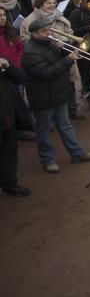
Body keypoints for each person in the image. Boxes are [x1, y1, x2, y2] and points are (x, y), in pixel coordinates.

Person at [21, 17, 90, 173]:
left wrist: (61, 49)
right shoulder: (30, 52)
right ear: (34, 33)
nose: (49, 33)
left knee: (65, 125)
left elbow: (56, 63)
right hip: (42, 97)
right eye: (44, 31)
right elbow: (46, 73)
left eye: (49, 29)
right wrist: (68, 60)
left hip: (58, 93)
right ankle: (47, 160)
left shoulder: (49, 44)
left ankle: (77, 153)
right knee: (43, 131)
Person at [0, 51, 30, 195]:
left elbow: (21, 78)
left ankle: (10, 184)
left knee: (9, 152)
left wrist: (8, 65)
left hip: (8, 115)